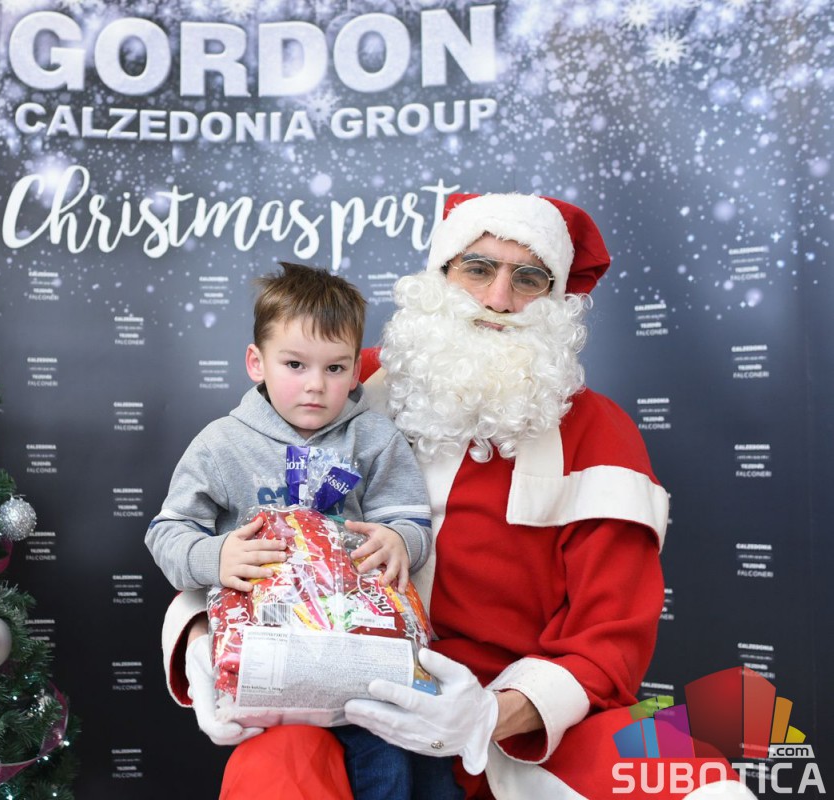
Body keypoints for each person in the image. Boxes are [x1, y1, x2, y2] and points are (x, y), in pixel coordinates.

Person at [161, 194, 756, 799]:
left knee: (699, 782)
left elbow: (609, 641)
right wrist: (203, 639)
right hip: (349, 694)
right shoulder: (346, 381)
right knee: (275, 767)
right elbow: (235, 518)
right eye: (477, 268)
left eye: (528, 279)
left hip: (517, 729)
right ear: (440, 276)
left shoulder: (601, 433)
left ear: (555, 300)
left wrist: (490, 715)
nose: (499, 299)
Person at [147, 262, 461, 800]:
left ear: (356, 372)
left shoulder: (374, 438)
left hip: (359, 651)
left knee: (399, 765)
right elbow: (168, 531)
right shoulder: (222, 444)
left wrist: (399, 541)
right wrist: (216, 556)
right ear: (257, 362)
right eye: (295, 364)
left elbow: (411, 522)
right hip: (269, 656)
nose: (316, 384)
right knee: (283, 772)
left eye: (335, 368)